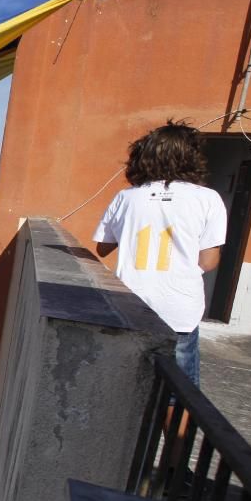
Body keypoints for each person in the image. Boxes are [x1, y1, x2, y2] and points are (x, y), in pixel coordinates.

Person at [93, 120, 227, 386]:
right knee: (178, 393)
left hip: (128, 305)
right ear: (191, 157)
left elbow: (103, 247)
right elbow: (209, 261)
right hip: (179, 310)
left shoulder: (126, 197)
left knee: (123, 385)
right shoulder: (208, 199)